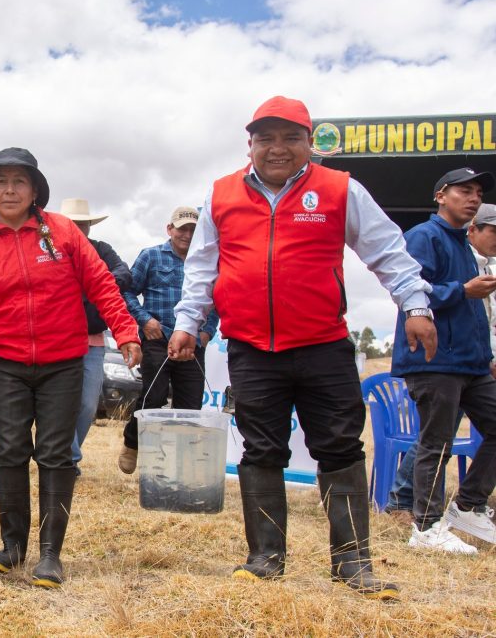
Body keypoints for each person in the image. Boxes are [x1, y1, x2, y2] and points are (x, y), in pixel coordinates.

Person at [168, 96, 436, 601]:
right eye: (266, 138)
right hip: (250, 347)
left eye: (291, 137)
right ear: (250, 145)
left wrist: (415, 304)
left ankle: (352, 561)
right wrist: (187, 322)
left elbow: (386, 249)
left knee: (340, 446)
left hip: (323, 345)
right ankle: (265, 557)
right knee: (260, 448)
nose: (278, 148)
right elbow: (202, 266)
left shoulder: (340, 189)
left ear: (309, 143)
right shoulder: (221, 194)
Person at [0, 148, 140, 588]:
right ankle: (13, 546)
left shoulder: (63, 232)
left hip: (63, 364)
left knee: (55, 454)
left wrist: (125, 330)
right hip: (6, 366)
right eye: (1, 182)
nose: (10, 189)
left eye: (19, 181)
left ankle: (51, 554)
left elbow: (101, 283)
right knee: (9, 451)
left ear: (34, 191)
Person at [391, 168, 496, 554]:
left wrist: (486, 356)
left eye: (478, 192)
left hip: (472, 364)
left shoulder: (465, 245)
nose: (474, 198)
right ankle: (426, 527)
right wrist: (462, 290)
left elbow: (473, 311)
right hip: (434, 360)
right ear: (440, 196)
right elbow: (409, 292)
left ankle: (468, 505)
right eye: (464, 190)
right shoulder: (423, 236)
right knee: (437, 443)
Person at [118, 206, 219, 474]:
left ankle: (180, 467)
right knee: (154, 396)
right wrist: (144, 320)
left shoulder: (207, 261)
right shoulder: (150, 256)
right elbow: (127, 291)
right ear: (170, 229)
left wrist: (208, 331)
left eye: (193, 230)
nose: (187, 235)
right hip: (158, 338)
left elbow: (217, 299)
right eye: (182, 228)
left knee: (190, 407)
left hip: (192, 342)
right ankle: (132, 443)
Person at [56, 198, 132, 476]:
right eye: (73, 224)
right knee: (62, 403)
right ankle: (69, 459)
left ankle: (65, 455)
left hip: (94, 341)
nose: (79, 229)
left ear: (89, 226)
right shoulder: (51, 250)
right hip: (59, 340)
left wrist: (96, 283)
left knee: (87, 405)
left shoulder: (102, 250)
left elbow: (124, 273)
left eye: (83, 224)